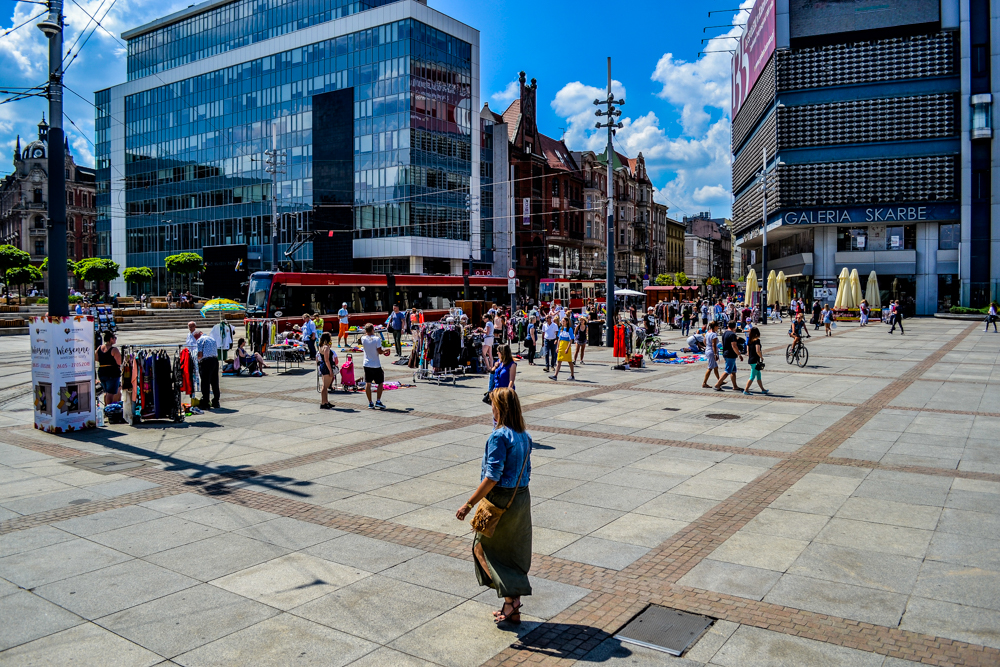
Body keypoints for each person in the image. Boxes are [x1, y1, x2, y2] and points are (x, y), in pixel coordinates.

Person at [455, 387, 532, 625]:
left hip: (498, 499)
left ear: (500, 408)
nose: (491, 408)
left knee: (482, 548)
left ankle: (511, 600)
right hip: (520, 499)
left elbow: (492, 476)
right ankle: (512, 609)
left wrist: (469, 504)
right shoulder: (524, 435)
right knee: (510, 552)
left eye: (493, 405)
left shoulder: (499, 436)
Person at [361, 323, 389, 409]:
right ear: (373, 329)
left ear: (365, 330)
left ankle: (370, 402)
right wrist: (386, 351)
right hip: (376, 364)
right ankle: (378, 400)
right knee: (380, 383)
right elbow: (380, 351)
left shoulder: (363, 338)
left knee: (368, 383)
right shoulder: (377, 339)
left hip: (366, 363)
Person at [714, 321, 743, 391]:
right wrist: (739, 354)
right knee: (728, 370)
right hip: (730, 354)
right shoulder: (732, 334)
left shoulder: (725, 333)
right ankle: (717, 385)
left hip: (726, 353)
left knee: (733, 371)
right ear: (735, 326)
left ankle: (735, 386)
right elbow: (734, 346)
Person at [196, 329, 220, 409]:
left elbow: (200, 354)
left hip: (206, 361)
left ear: (198, 335)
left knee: (205, 382)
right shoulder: (212, 339)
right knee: (214, 381)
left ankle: (205, 402)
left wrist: (197, 361)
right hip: (215, 360)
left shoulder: (200, 340)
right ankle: (216, 401)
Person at [96, 332, 122, 405]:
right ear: (111, 339)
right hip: (112, 373)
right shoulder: (114, 350)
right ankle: (109, 409)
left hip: (102, 372)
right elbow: (119, 362)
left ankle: (106, 408)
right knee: (111, 393)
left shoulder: (99, 348)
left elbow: (96, 358)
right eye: (114, 338)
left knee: (106, 392)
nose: (115, 340)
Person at [743, 327, 769, 395]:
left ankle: (763, 389)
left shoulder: (749, 341)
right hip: (755, 360)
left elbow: (748, 351)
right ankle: (746, 390)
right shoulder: (757, 341)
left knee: (758, 375)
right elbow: (758, 350)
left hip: (751, 359)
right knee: (752, 376)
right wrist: (761, 357)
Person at [317, 332, 337, 409]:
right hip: (326, 366)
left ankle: (326, 401)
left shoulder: (321, 346)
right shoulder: (326, 347)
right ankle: (323, 402)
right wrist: (330, 371)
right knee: (325, 386)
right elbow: (327, 360)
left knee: (325, 386)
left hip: (323, 365)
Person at [702, 321, 721, 388]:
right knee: (710, 368)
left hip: (708, 350)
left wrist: (707, 346)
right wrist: (715, 354)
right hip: (712, 351)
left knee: (715, 367)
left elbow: (704, 341)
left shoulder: (708, 332)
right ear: (715, 326)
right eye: (717, 326)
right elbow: (714, 345)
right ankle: (704, 383)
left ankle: (720, 380)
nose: (718, 328)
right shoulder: (714, 334)